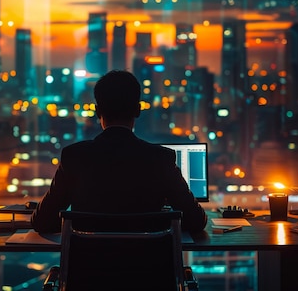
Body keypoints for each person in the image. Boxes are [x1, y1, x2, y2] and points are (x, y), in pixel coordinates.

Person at [30, 70, 207, 233]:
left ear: (98, 111)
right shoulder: (161, 159)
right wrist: (161, 219)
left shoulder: (74, 157)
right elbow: (197, 222)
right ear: (138, 110)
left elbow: (41, 222)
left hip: (88, 266)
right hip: (147, 267)